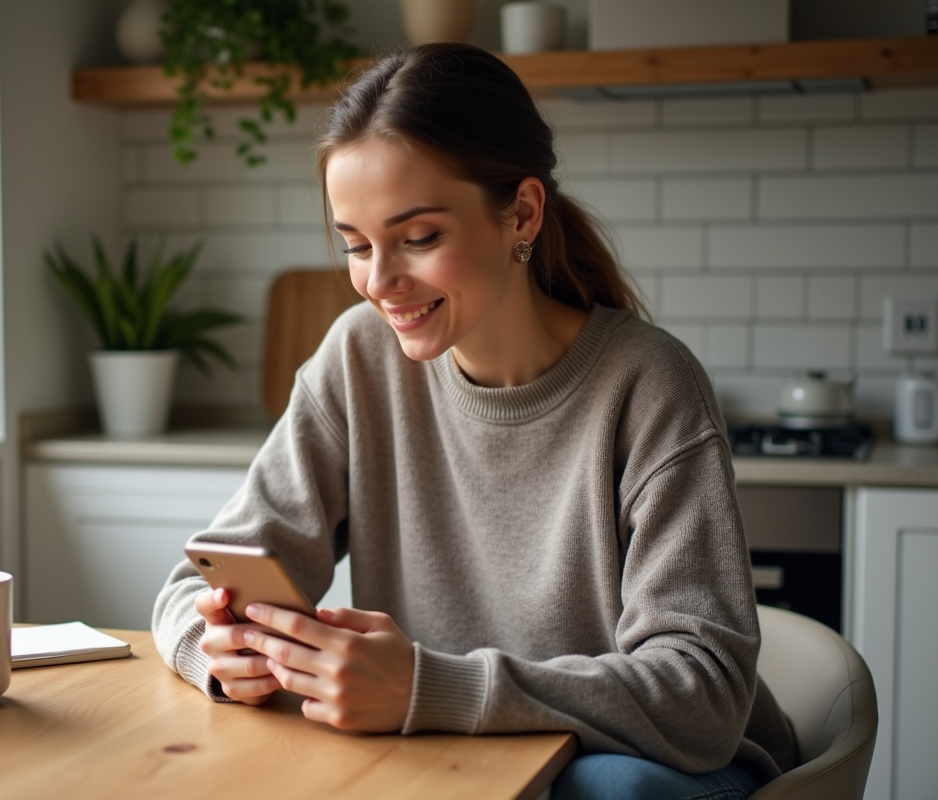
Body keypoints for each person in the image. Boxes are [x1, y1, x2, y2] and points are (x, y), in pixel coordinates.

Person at [152, 43, 797, 800]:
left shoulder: (649, 383)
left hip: (669, 768)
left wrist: (433, 687)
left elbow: (703, 695)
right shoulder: (358, 359)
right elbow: (190, 586)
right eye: (356, 245)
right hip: (468, 761)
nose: (380, 282)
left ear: (521, 212)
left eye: (419, 238)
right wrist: (223, 655)